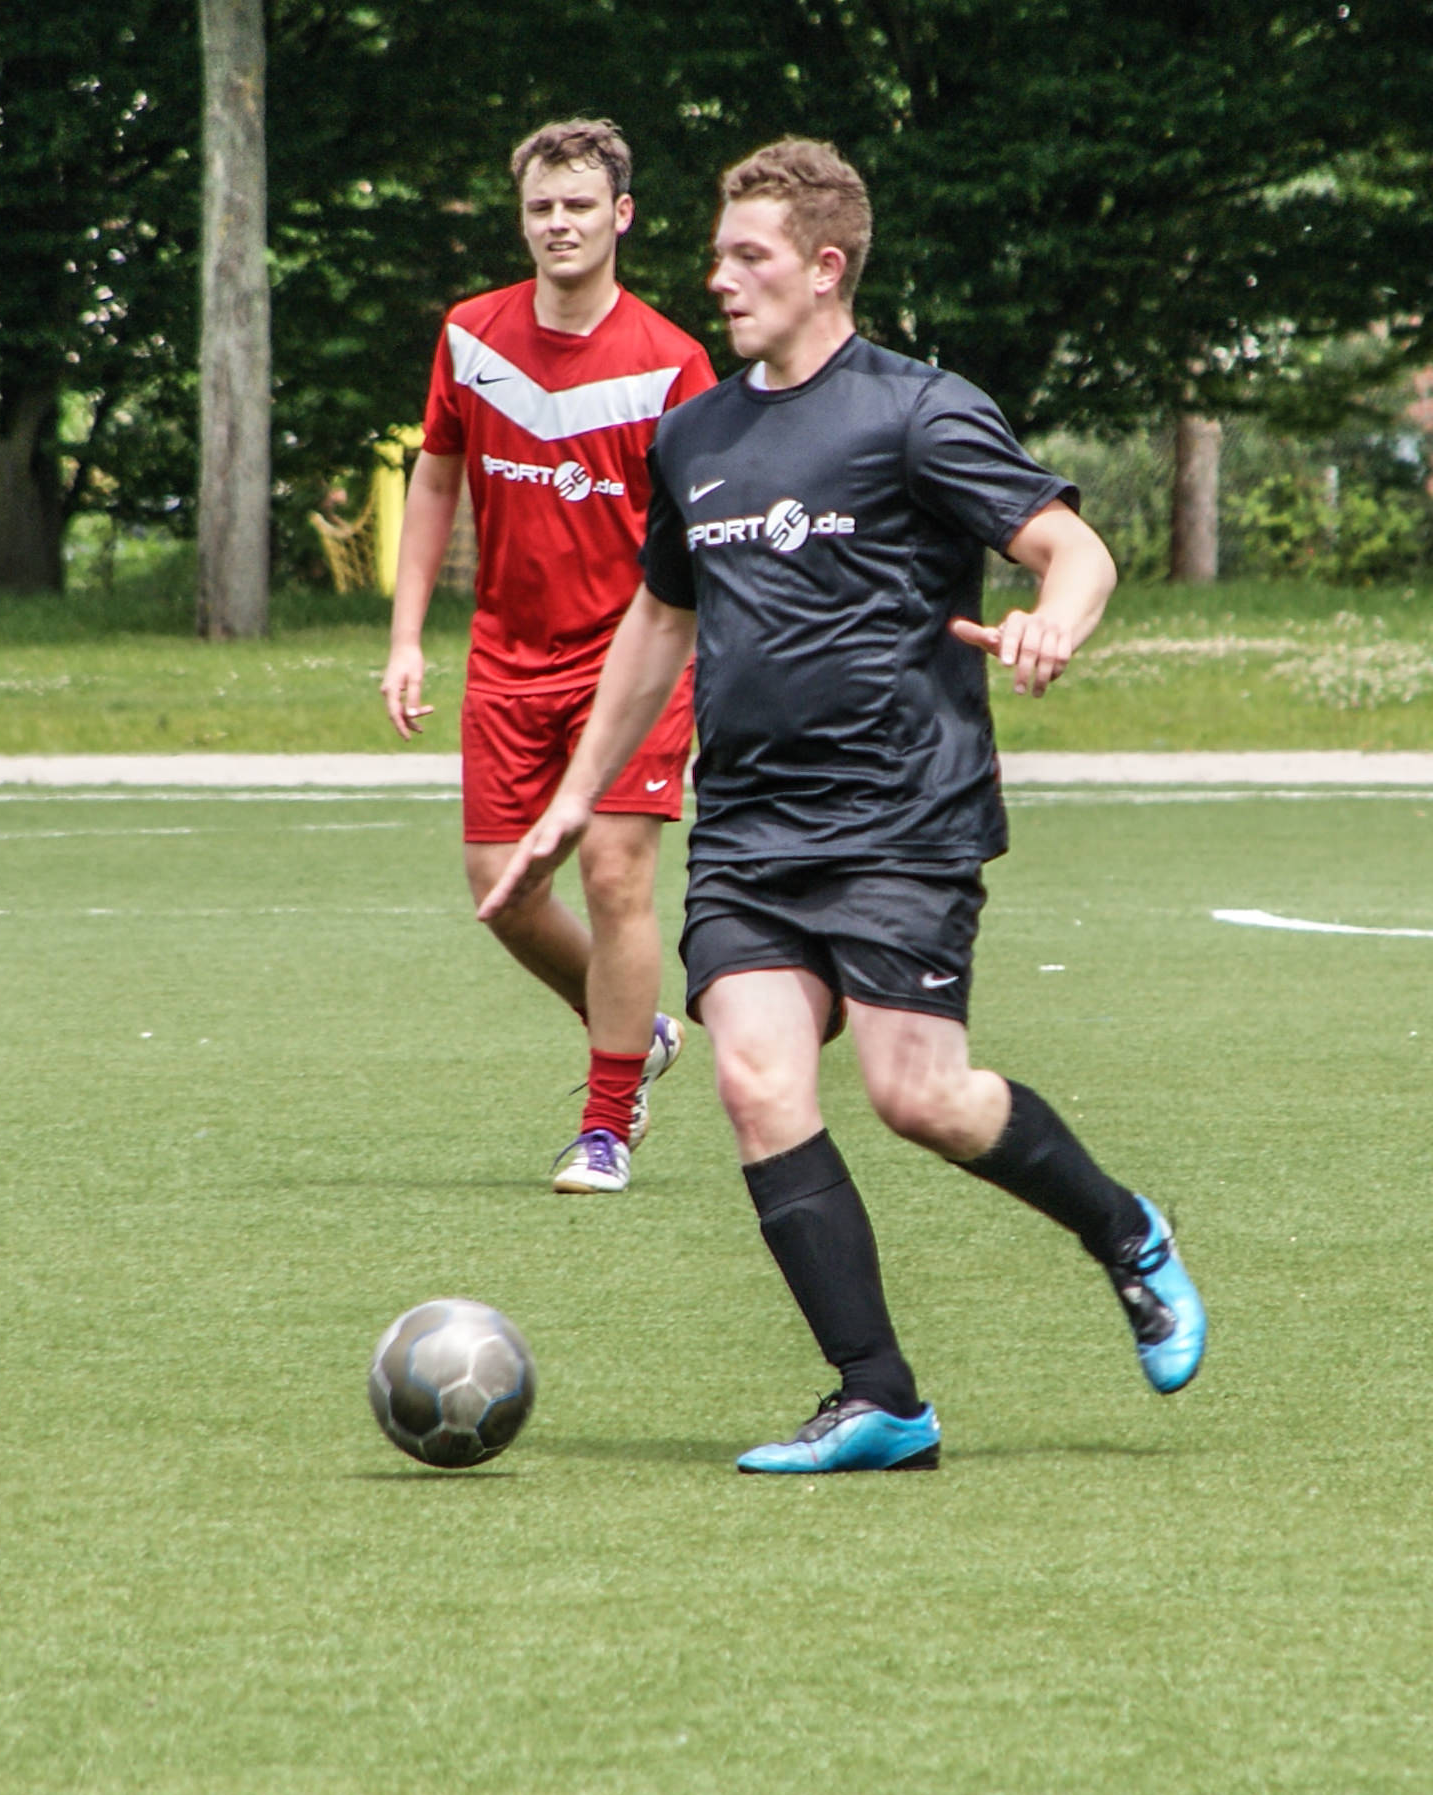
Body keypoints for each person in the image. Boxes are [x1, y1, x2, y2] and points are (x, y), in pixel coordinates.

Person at [479, 138, 1205, 1473]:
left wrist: (1054, 618)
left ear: (823, 268)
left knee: (916, 1094)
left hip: (901, 818)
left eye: (747, 257)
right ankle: (879, 1398)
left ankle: (1123, 1229)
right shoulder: (694, 434)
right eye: (716, 253)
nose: (719, 278)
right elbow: (658, 621)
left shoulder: (917, 412)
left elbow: (1071, 546)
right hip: (749, 828)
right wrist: (573, 798)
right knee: (755, 1079)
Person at [382, 118, 717, 1193]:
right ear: (521, 219)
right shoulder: (470, 336)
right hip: (507, 659)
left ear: (622, 215)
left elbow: (710, 535)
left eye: (579, 205)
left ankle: (606, 1124)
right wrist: (406, 638)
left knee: (615, 873)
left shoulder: (675, 362)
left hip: (634, 663)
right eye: (541, 206)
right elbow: (437, 477)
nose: (558, 223)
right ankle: (632, 1029)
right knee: (502, 890)